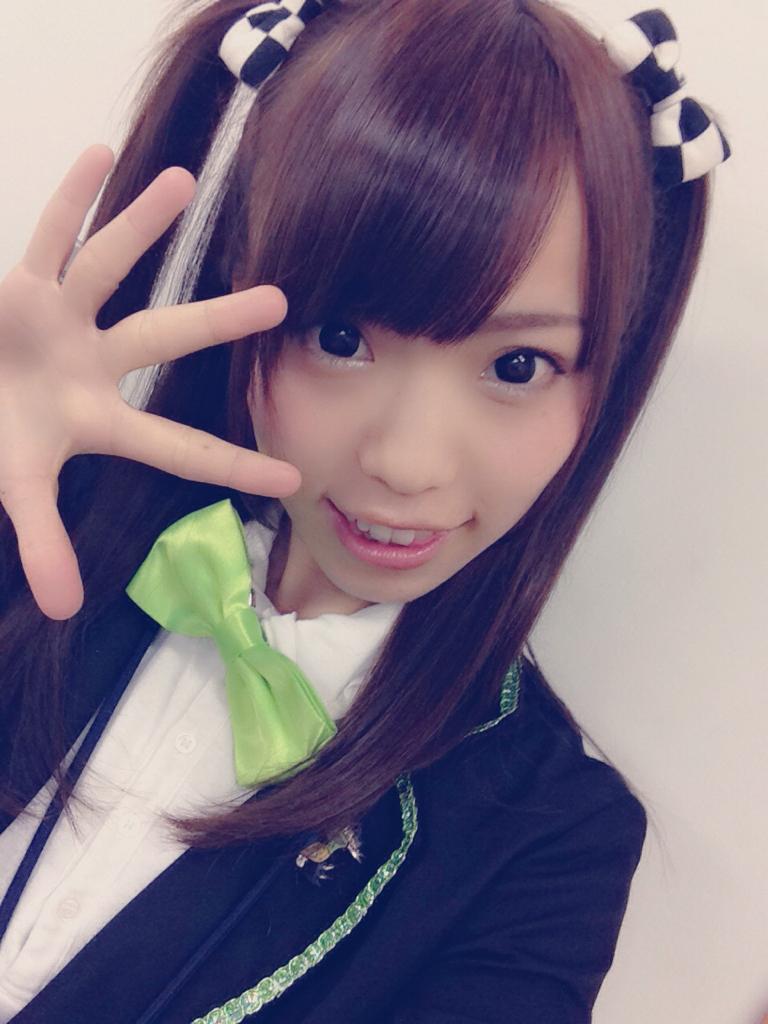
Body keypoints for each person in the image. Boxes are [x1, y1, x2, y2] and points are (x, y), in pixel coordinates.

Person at [0, 1, 731, 1022]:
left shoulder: (546, 841)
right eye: (340, 337)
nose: (406, 463)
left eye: (518, 365)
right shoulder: (47, 523)